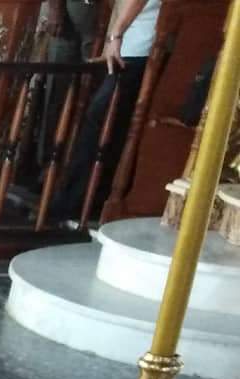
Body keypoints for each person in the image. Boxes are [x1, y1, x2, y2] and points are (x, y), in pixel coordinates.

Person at [48, 0, 162, 225]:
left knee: (101, 126)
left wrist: (115, 36)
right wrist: (112, 39)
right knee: (104, 126)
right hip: (131, 46)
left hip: (139, 49)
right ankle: (78, 203)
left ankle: (75, 206)